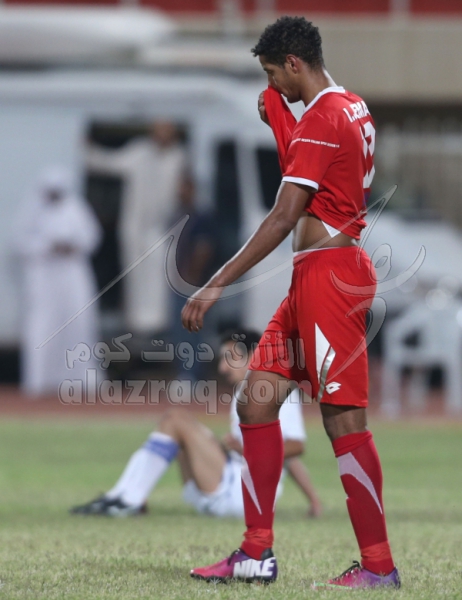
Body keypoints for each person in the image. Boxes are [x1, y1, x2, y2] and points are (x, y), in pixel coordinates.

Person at [182, 17, 400, 589]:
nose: (272, 83)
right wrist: (280, 113)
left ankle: (379, 566)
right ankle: (256, 553)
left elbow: (284, 215)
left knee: (344, 422)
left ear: (294, 64)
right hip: (312, 277)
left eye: (273, 72)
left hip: (332, 280)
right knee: (256, 402)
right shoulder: (347, 106)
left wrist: (217, 282)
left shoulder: (324, 118)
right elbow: (307, 167)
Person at [70, 329, 321, 519]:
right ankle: (127, 495)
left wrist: (245, 449)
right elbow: (288, 457)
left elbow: (295, 447)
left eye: (229, 358)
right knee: (175, 428)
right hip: (231, 487)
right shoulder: (244, 392)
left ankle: (127, 498)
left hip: (241, 495)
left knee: (177, 419)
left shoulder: (278, 392)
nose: (222, 368)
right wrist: (313, 500)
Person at [86, 121, 187, 335]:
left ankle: (157, 323)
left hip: (163, 227)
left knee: (160, 274)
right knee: (136, 273)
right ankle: (137, 323)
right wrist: (86, 149)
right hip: (135, 226)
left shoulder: (179, 156)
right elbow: (109, 163)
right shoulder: (139, 151)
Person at [13, 167, 102, 396]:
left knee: (79, 323)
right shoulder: (32, 211)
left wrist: (73, 246)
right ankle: (40, 380)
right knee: (43, 326)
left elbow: (92, 237)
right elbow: (20, 242)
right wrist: (47, 247)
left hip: (72, 275)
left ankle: (80, 379)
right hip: (44, 278)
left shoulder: (76, 208)